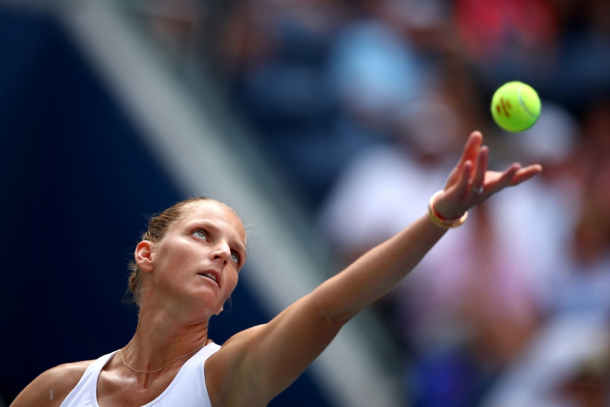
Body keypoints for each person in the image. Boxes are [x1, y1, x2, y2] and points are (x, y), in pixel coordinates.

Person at [11, 131, 542, 407]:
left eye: (235, 255)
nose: (222, 253)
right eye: (202, 234)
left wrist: (439, 216)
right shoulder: (57, 391)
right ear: (146, 254)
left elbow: (330, 309)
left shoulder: (227, 376)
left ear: (223, 300)